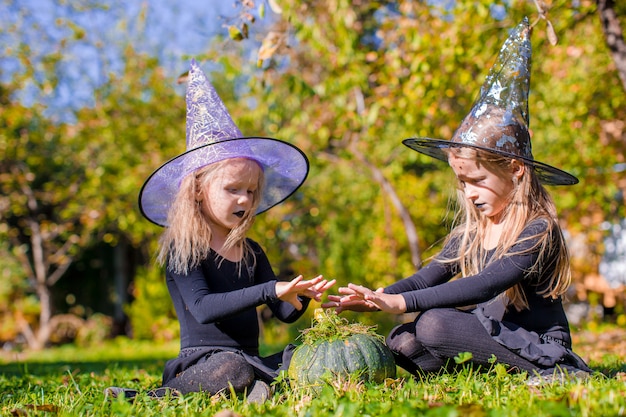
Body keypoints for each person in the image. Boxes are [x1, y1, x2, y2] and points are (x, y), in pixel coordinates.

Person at [323, 18, 591, 385]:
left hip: (538, 344)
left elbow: (484, 285)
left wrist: (401, 305)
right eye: (462, 183)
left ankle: (559, 372)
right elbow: (424, 280)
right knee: (402, 337)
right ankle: (471, 372)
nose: (468, 193)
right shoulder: (471, 232)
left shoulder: (537, 229)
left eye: (477, 181)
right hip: (493, 335)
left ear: (515, 169)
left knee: (433, 323)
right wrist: (379, 297)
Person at [108, 59, 334, 402]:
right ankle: (149, 396)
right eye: (233, 189)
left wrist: (300, 296)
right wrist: (270, 289)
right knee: (231, 369)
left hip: (250, 358)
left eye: (251, 191)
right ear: (198, 190)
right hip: (205, 362)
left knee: (301, 354)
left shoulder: (252, 250)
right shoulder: (184, 247)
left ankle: (254, 389)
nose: (245, 199)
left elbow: (284, 314)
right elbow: (203, 307)